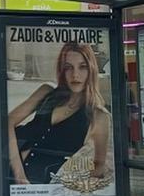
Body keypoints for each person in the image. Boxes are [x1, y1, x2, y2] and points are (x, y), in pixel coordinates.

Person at [7, 42, 112, 186]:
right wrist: (19, 175)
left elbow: (99, 165)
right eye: (68, 67)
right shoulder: (47, 92)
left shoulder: (99, 116)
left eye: (82, 67)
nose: (75, 75)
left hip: (42, 185)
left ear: (91, 70)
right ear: (62, 70)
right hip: (11, 170)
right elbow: (7, 122)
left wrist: (73, 187)